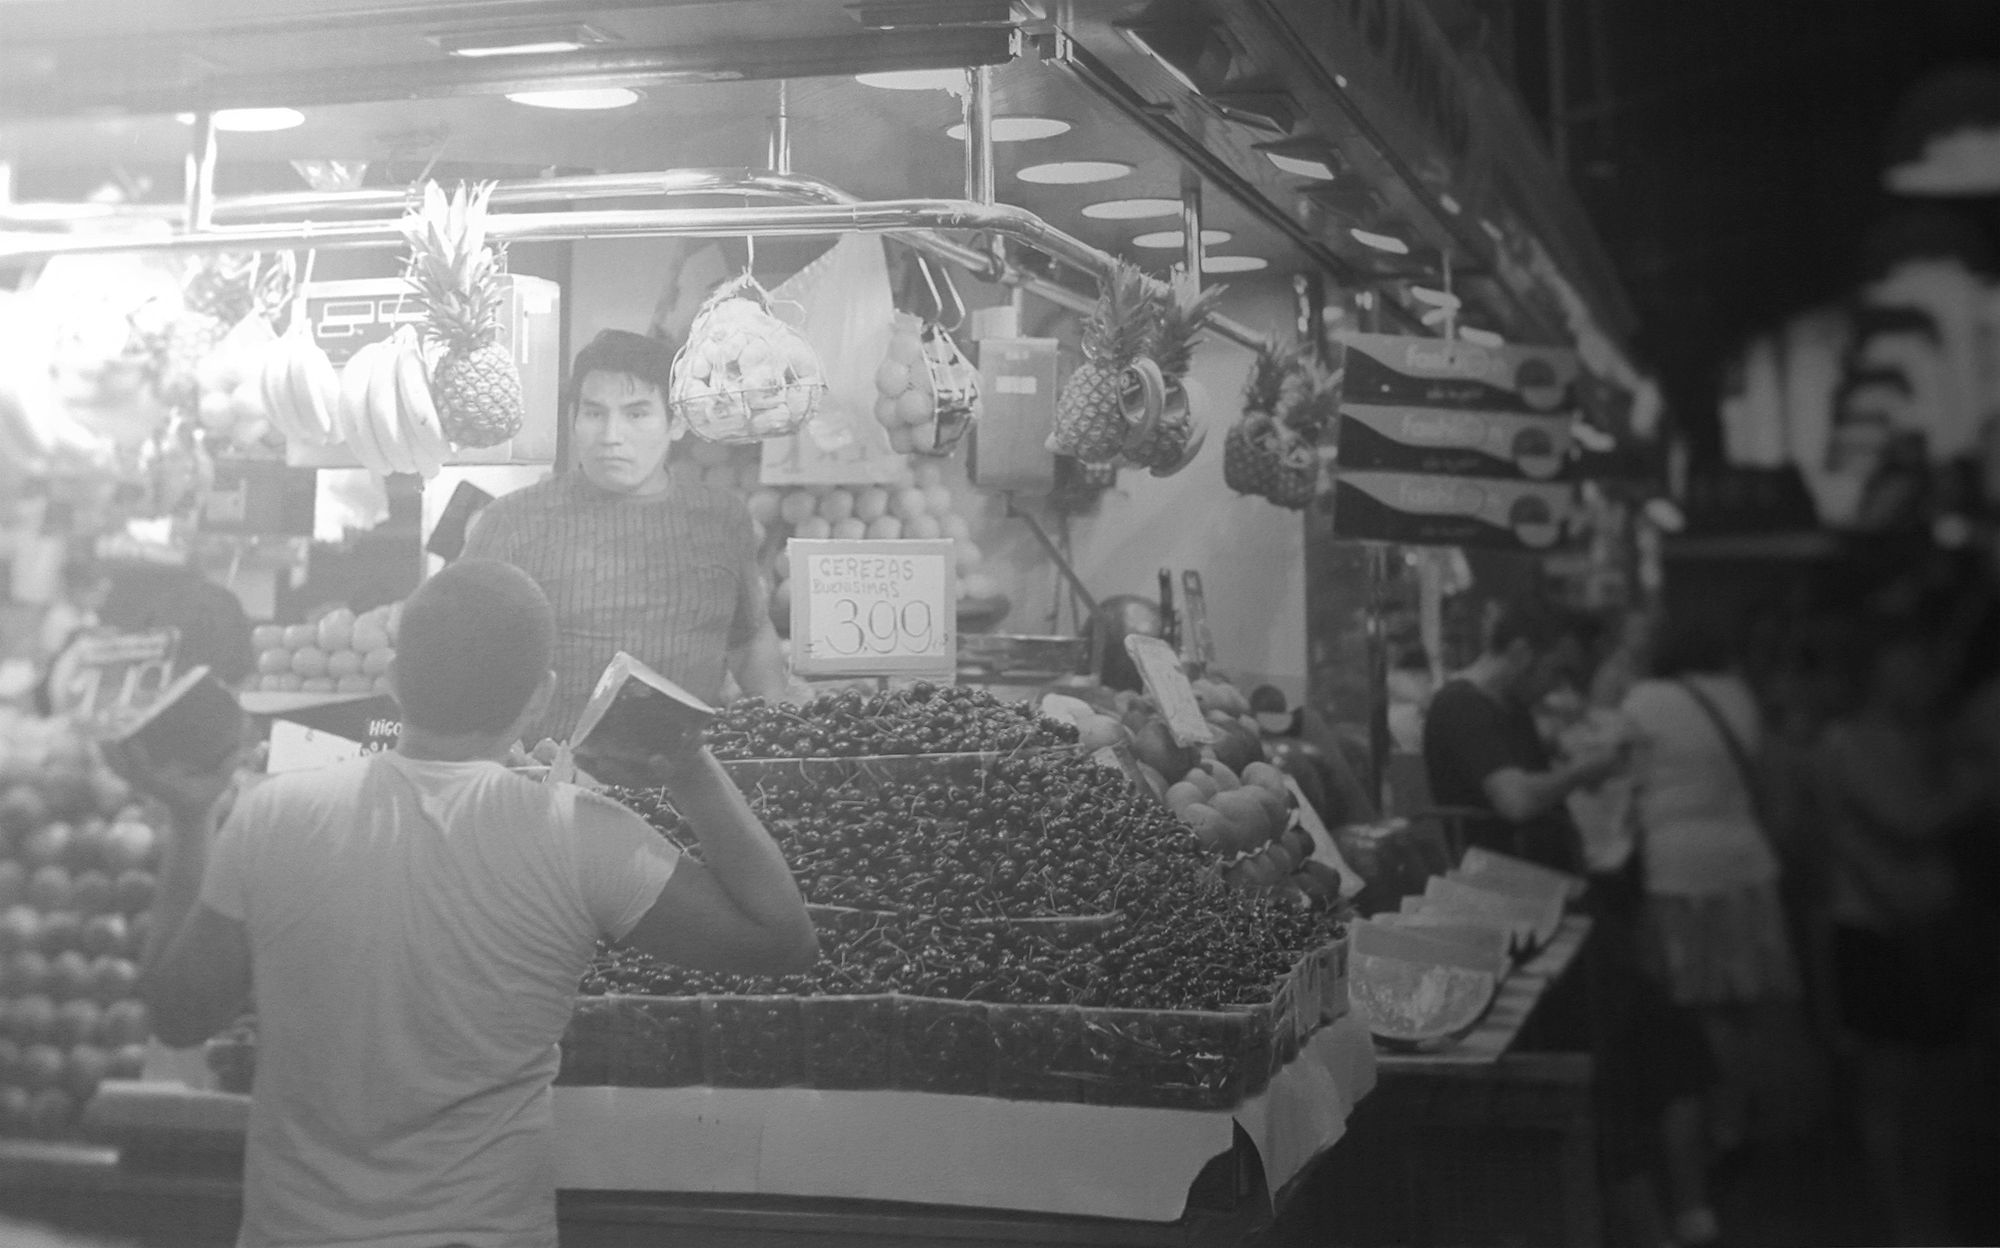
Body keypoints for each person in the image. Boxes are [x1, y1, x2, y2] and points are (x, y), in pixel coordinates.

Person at [112, 559, 817, 1248]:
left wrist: (190, 818)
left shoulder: (275, 815)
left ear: (393, 679)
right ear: (537, 697)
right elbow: (783, 938)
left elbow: (179, 1016)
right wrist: (689, 769)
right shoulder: (581, 836)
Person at [463, 329, 788, 745]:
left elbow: (748, 638)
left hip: (686, 774)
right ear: (574, 419)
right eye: (594, 413)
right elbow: (460, 656)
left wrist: (782, 730)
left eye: (636, 414)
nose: (611, 435)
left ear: (676, 422)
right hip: (546, 775)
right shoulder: (511, 523)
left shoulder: (722, 519)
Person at [1619, 616, 1814, 1244]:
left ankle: (1707, 1139)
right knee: (1743, 1011)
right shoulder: (1738, 695)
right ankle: (1734, 1123)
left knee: (1694, 1014)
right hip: (1745, 868)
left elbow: (1620, 778)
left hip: (1677, 872)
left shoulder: (1644, 699)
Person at [1817, 613, 1990, 1246]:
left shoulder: (1928, 739)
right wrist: (1976, 787)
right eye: (1908, 662)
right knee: (1889, 1091)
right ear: (1875, 671)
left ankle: (1931, 1219)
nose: (1922, 674)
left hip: (1929, 931)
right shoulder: (1846, 742)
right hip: (1874, 930)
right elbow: (1908, 821)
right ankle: (1903, 1229)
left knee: (1938, 1091)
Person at [1420, 598, 1620, 871]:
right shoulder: (1462, 706)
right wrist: (1579, 772)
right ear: (1521, 653)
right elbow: (1516, 801)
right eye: (1556, 670)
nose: (1555, 686)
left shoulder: (1509, 706)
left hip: (1533, 877)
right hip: (1503, 882)